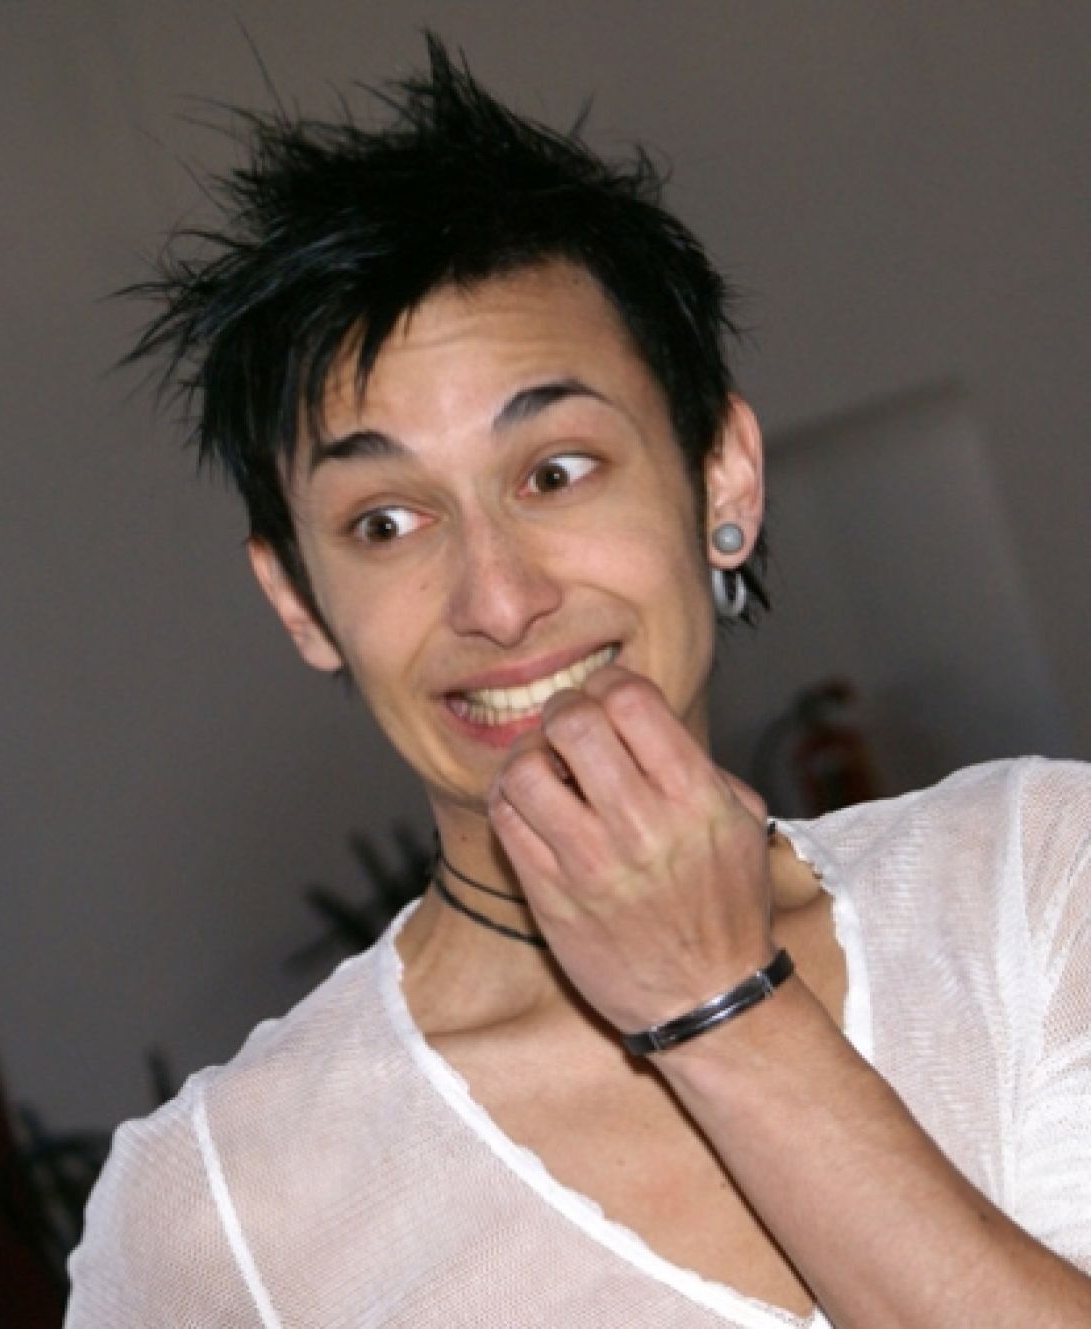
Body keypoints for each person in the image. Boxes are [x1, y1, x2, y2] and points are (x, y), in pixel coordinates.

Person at [66, 38, 1091, 1328]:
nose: (497, 600)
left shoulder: (1035, 888)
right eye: (386, 521)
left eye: (555, 472)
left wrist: (717, 1006)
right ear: (299, 600)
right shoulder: (222, 1211)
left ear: (721, 478)